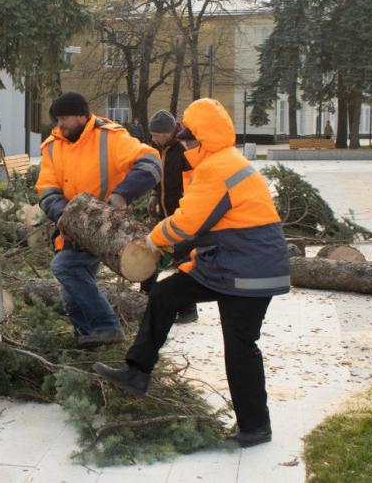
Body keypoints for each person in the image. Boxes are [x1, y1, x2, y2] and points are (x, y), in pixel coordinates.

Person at [93, 98, 290, 448]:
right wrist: (188, 262)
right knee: (166, 295)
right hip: (231, 262)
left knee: (240, 346)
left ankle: (256, 427)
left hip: (249, 272)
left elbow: (188, 222)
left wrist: (152, 241)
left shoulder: (219, 167)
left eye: (188, 137)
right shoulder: (218, 162)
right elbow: (218, 228)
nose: (183, 143)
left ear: (203, 137)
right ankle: (137, 372)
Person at [36, 92, 161, 348]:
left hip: (105, 225)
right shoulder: (52, 145)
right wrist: (64, 214)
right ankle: (88, 340)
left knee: (65, 268)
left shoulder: (110, 137)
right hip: (70, 226)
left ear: (83, 116)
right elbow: (47, 188)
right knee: (72, 286)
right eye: (57, 118)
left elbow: (150, 162)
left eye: (65, 118)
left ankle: (106, 326)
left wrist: (122, 195)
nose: (60, 124)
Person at [142, 109, 197, 324]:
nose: (153, 138)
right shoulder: (158, 148)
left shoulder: (184, 149)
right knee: (153, 253)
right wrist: (155, 194)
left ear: (168, 133)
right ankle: (144, 298)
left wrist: (186, 209)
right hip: (162, 211)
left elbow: (192, 183)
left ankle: (188, 309)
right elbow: (158, 174)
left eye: (156, 134)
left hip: (181, 212)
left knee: (182, 260)